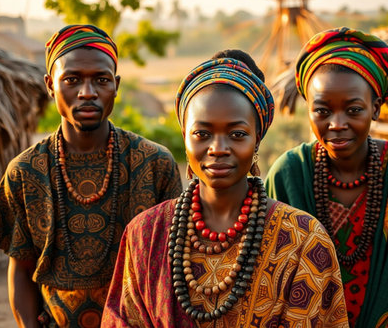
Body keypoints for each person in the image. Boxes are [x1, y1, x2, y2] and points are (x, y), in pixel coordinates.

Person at [101, 49, 349, 327]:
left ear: (257, 139)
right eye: (202, 134)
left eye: (237, 134)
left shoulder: (303, 240)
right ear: (185, 136)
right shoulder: (144, 234)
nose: (218, 149)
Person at [0, 24, 182, 328]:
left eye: (101, 80)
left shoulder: (154, 164)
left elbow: (172, 271)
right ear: (50, 85)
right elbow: (21, 270)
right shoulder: (24, 173)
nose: (87, 92)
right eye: (72, 79)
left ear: (116, 85)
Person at [265, 27, 388, 327]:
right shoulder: (288, 176)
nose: (337, 124)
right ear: (308, 110)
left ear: (376, 108)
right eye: (322, 111)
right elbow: (271, 283)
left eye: (353, 109)